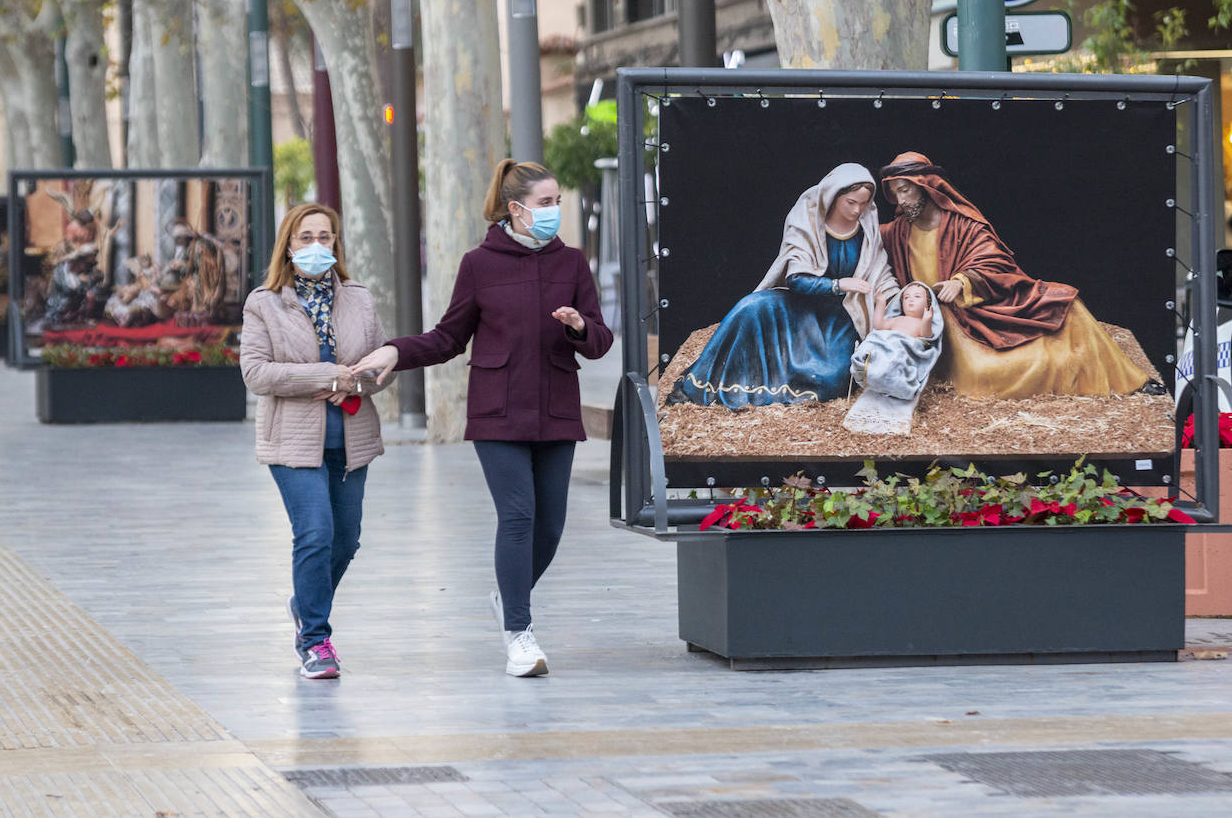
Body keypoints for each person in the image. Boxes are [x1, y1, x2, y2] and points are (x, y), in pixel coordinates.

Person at [350, 159, 613, 678]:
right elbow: (447, 338)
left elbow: (601, 342)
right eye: (545, 203)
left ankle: (507, 595)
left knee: (552, 526)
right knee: (518, 517)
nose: (554, 211)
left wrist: (581, 325)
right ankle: (519, 633)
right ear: (516, 210)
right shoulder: (480, 264)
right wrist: (393, 353)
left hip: (557, 409)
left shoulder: (573, 264)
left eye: (557, 201)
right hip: (497, 412)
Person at [241, 203, 389, 680]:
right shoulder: (263, 302)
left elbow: (382, 366)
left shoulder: (360, 300)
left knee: (346, 541)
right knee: (316, 534)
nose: (317, 246)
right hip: (293, 442)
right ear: (288, 244)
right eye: (306, 237)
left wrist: (358, 381)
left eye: (326, 237)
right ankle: (315, 640)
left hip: (351, 440)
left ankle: (305, 603)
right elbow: (256, 373)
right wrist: (328, 376)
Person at [878, 152, 1151, 398]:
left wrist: (962, 281)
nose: (901, 200)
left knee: (1067, 304)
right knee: (981, 374)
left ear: (928, 186)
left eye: (906, 190)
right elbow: (865, 242)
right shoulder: (896, 232)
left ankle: (1126, 381)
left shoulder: (963, 224)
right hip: (938, 322)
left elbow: (994, 260)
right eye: (895, 194)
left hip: (975, 311)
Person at [666, 163, 899, 408]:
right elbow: (796, 280)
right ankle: (702, 383)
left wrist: (899, 298)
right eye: (851, 202)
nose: (857, 209)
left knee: (830, 378)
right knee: (750, 307)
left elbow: (881, 274)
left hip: (841, 315)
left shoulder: (867, 230)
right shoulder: (808, 222)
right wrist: (839, 284)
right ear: (834, 196)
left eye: (863, 203)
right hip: (801, 305)